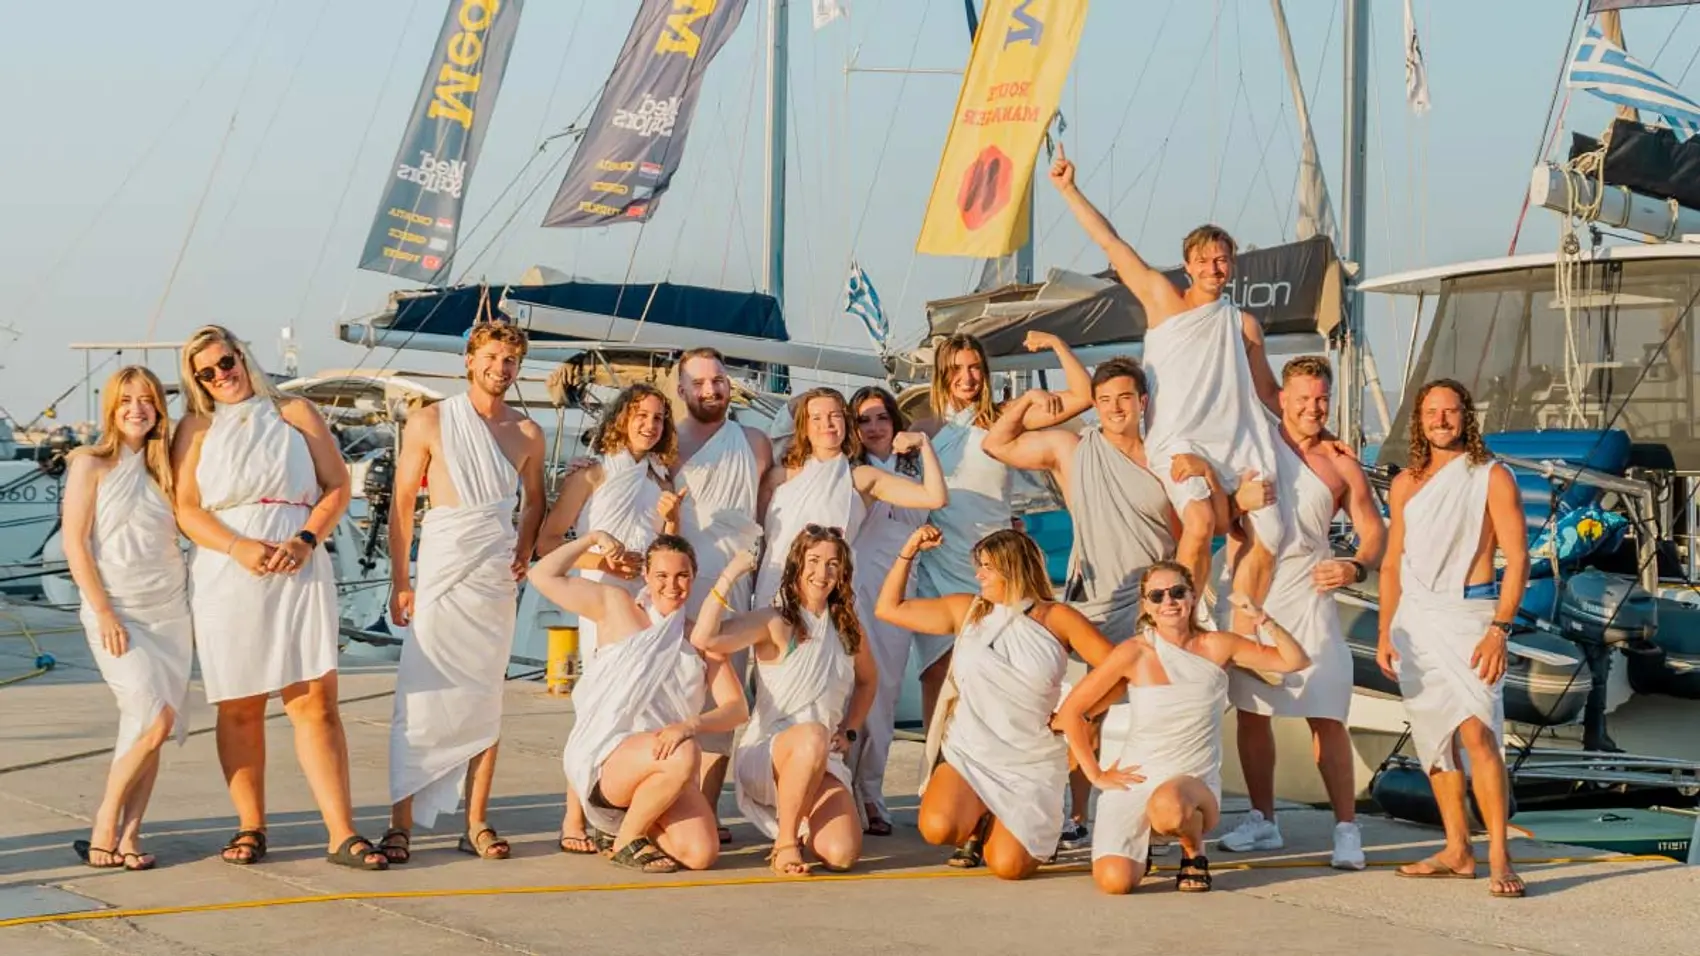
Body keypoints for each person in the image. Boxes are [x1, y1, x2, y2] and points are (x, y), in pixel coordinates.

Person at [982, 347, 1272, 848]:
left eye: (1124, 398)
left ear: (1143, 401)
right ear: (1094, 405)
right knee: (1083, 710)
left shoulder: (1167, 461)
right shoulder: (1074, 449)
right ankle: (1073, 816)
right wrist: (1039, 397)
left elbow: (1210, 525)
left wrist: (1215, 480)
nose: (1114, 408)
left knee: (1141, 712)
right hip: (1090, 602)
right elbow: (996, 441)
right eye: (1103, 399)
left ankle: (1163, 808)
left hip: (1150, 607)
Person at [1050, 143, 1290, 636]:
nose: (1214, 269)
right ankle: (1181, 617)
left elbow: (1269, 393)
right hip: (1177, 443)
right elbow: (1111, 245)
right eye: (1205, 261)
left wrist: (1309, 433)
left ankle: (1241, 619)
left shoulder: (1242, 325)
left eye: (1222, 261)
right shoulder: (1162, 299)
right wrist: (1068, 189)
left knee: (1269, 532)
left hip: (1235, 443)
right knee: (1200, 523)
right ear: (1188, 265)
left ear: (1232, 266)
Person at [171, 325, 386, 870]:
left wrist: (306, 537)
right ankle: (251, 826)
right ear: (195, 381)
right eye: (207, 372)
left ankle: (341, 832)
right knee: (240, 703)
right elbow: (187, 509)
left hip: (299, 560)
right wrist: (238, 546)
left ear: (242, 355)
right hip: (229, 568)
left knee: (314, 699)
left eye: (226, 361)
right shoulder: (195, 427)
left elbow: (337, 485)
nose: (222, 375)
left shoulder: (294, 412)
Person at [380, 323, 547, 864]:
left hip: (493, 578)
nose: (503, 368)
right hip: (443, 570)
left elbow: (536, 500)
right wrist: (400, 581)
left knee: (485, 697)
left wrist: (524, 547)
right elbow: (402, 504)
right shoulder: (430, 420)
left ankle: (475, 820)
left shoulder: (527, 432)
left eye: (512, 361)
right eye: (494, 357)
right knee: (419, 695)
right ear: (471, 360)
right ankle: (399, 822)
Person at [1218, 357, 1385, 868]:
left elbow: (1374, 530)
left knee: (1327, 710)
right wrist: (1236, 500)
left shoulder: (1342, 463)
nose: (1312, 408)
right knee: (1252, 712)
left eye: (1321, 399)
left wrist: (1355, 566)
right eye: (1303, 398)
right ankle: (1263, 820)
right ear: (1282, 401)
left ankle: (1346, 828)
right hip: (1253, 591)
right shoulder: (1253, 449)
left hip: (1312, 591)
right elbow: (1209, 516)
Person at [1054, 561, 1311, 895]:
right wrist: (1096, 775)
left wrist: (1264, 619)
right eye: (1157, 596)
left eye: (1177, 592)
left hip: (1193, 781)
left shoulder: (1218, 645)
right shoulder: (1133, 652)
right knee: (1114, 883)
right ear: (1146, 605)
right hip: (1137, 777)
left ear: (1192, 597)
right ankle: (1141, 842)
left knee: (1170, 808)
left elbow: (1295, 661)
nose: (1168, 602)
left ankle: (1194, 853)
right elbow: (1072, 711)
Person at [875, 526, 1114, 879]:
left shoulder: (1057, 618)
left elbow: (1118, 670)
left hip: (1028, 758)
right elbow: (889, 608)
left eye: (987, 566)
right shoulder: (968, 610)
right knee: (939, 828)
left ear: (1012, 567)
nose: (978, 574)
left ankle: (997, 823)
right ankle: (977, 818)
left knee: (1009, 868)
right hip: (971, 751)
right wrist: (909, 549)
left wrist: (1079, 712)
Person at [1378, 379, 1529, 899]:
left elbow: (1518, 558)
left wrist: (1499, 628)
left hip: (1470, 617)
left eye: (1450, 411)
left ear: (1467, 416)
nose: (1441, 420)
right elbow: (1393, 561)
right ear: (1419, 422)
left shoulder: (1491, 476)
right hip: (1414, 623)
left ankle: (1499, 858)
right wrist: (1384, 630)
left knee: (1479, 734)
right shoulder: (1405, 484)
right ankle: (1457, 849)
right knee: (1435, 742)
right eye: (1431, 412)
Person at [532, 531, 748, 872]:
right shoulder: (615, 606)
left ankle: (631, 827)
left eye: (682, 575)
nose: (672, 585)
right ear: (645, 575)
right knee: (684, 752)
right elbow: (541, 574)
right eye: (661, 575)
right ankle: (626, 839)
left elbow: (736, 709)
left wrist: (690, 725)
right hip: (609, 761)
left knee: (700, 854)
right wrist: (592, 538)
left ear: (693, 577)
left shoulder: (699, 637)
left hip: (664, 765)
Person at [908, 332, 1089, 736]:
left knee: (994, 672)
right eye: (956, 369)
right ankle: (936, 766)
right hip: (936, 564)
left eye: (974, 367)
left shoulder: (1007, 418)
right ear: (941, 374)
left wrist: (1058, 347)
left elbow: (1083, 395)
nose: (967, 377)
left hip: (991, 566)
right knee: (936, 673)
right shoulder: (923, 428)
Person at [539, 383, 684, 855]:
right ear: (620, 418)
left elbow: (666, 549)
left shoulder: (661, 481)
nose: (649, 424)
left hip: (645, 600)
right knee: (596, 705)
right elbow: (548, 542)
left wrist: (671, 522)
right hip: (600, 598)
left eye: (659, 418)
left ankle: (623, 808)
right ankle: (573, 813)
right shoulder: (592, 476)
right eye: (641, 414)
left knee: (641, 705)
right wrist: (605, 563)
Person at [690, 527, 878, 876]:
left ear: (843, 573)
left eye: (832, 564)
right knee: (813, 735)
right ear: (797, 565)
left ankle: (802, 812)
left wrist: (850, 731)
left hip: (822, 757)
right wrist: (730, 574)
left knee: (842, 855)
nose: (822, 573)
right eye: (814, 561)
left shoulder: (848, 627)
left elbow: (869, 681)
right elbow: (705, 638)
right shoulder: (776, 621)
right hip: (768, 753)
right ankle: (786, 844)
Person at [63, 366, 192, 871]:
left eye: (146, 399)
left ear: (159, 406)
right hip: (116, 610)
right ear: (111, 410)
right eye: (125, 401)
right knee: (155, 719)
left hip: (170, 613)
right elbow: (76, 543)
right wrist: (103, 611)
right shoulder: (90, 465)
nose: (136, 408)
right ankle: (104, 823)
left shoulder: (166, 468)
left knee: (146, 729)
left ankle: (131, 836)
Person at [671, 348, 774, 844]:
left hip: (735, 585)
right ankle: (666, 801)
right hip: (676, 586)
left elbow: (773, 507)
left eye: (718, 381)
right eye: (700, 383)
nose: (711, 390)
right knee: (669, 697)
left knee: (722, 701)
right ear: (681, 390)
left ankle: (705, 808)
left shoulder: (754, 442)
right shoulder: (663, 445)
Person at [753, 386, 946, 610]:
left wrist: (924, 443)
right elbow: (760, 540)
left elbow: (935, 497)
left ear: (846, 423)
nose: (827, 424)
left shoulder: (862, 478)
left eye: (835, 415)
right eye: (816, 417)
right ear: (804, 427)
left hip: (826, 596)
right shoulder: (779, 477)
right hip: (772, 589)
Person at [844, 385, 927, 836]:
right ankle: (846, 790)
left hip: (898, 592)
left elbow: (937, 505)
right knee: (851, 692)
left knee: (886, 693)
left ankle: (871, 792)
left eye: (881, 417)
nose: (874, 427)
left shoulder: (914, 472)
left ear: (895, 422)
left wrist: (922, 445)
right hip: (855, 590)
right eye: (864, 420)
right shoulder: (850, 473)